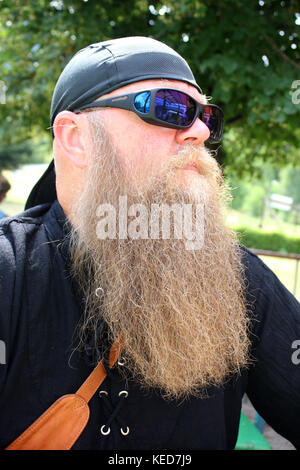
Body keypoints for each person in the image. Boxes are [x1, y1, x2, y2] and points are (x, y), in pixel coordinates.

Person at [0, 36, 299, 451]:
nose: (198, 131)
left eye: (206, 117)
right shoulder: (8, 272)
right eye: (168, 108)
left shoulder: (241, 282)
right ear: (75, 138)